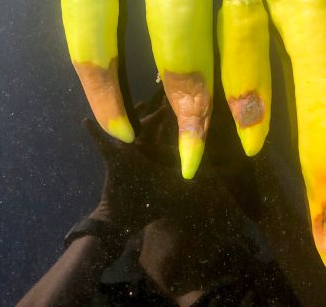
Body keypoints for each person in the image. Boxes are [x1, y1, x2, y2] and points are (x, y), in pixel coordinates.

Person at [16, 91, 300, 306]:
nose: (182, 132)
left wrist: (255, 175)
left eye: (209, 131)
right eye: (165, 116)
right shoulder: (108, 299)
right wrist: (108, 215)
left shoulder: (272, 288)